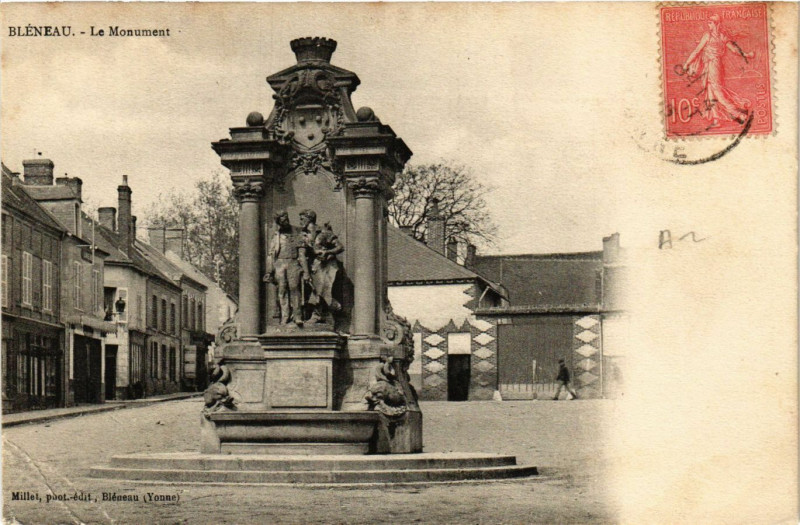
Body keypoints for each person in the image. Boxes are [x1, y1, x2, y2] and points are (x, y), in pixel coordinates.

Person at [680, 14, 755, 127]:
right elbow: (734, 50)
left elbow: (734, 50)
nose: (708, 24)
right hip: (711, 65)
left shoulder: (712, 36)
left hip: (713, 66)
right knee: (710, 94)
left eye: (710, 23)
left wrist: (687, 63)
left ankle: (739, 115)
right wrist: (746, 55)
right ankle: (716, 120)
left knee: (718, 93)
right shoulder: (719, 36)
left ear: (716, 24)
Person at [265, 211, 309, 326]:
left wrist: (306, 272)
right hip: (279, 263)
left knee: (295, 288)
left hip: (293, 262)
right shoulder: (276, 235)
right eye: (282, 221)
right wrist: (269, 271)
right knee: (282, 290)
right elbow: (271, 254)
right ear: (279, 222)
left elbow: (302, 253)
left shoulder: (297, 232)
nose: (285, 222)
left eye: (286, 219)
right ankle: (285, 316)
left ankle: (297, 316)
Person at [300, 210, 344, 324]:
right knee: (316, 289)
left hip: (328, 265)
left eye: (302, 218)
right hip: (313, 265)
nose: (300, 222)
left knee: (321, 289)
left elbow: (340, 247)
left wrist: (328, 252)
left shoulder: (324, 232)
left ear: (309, 219)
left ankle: (319, 314)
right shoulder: (303, 235)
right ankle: (331, 307)